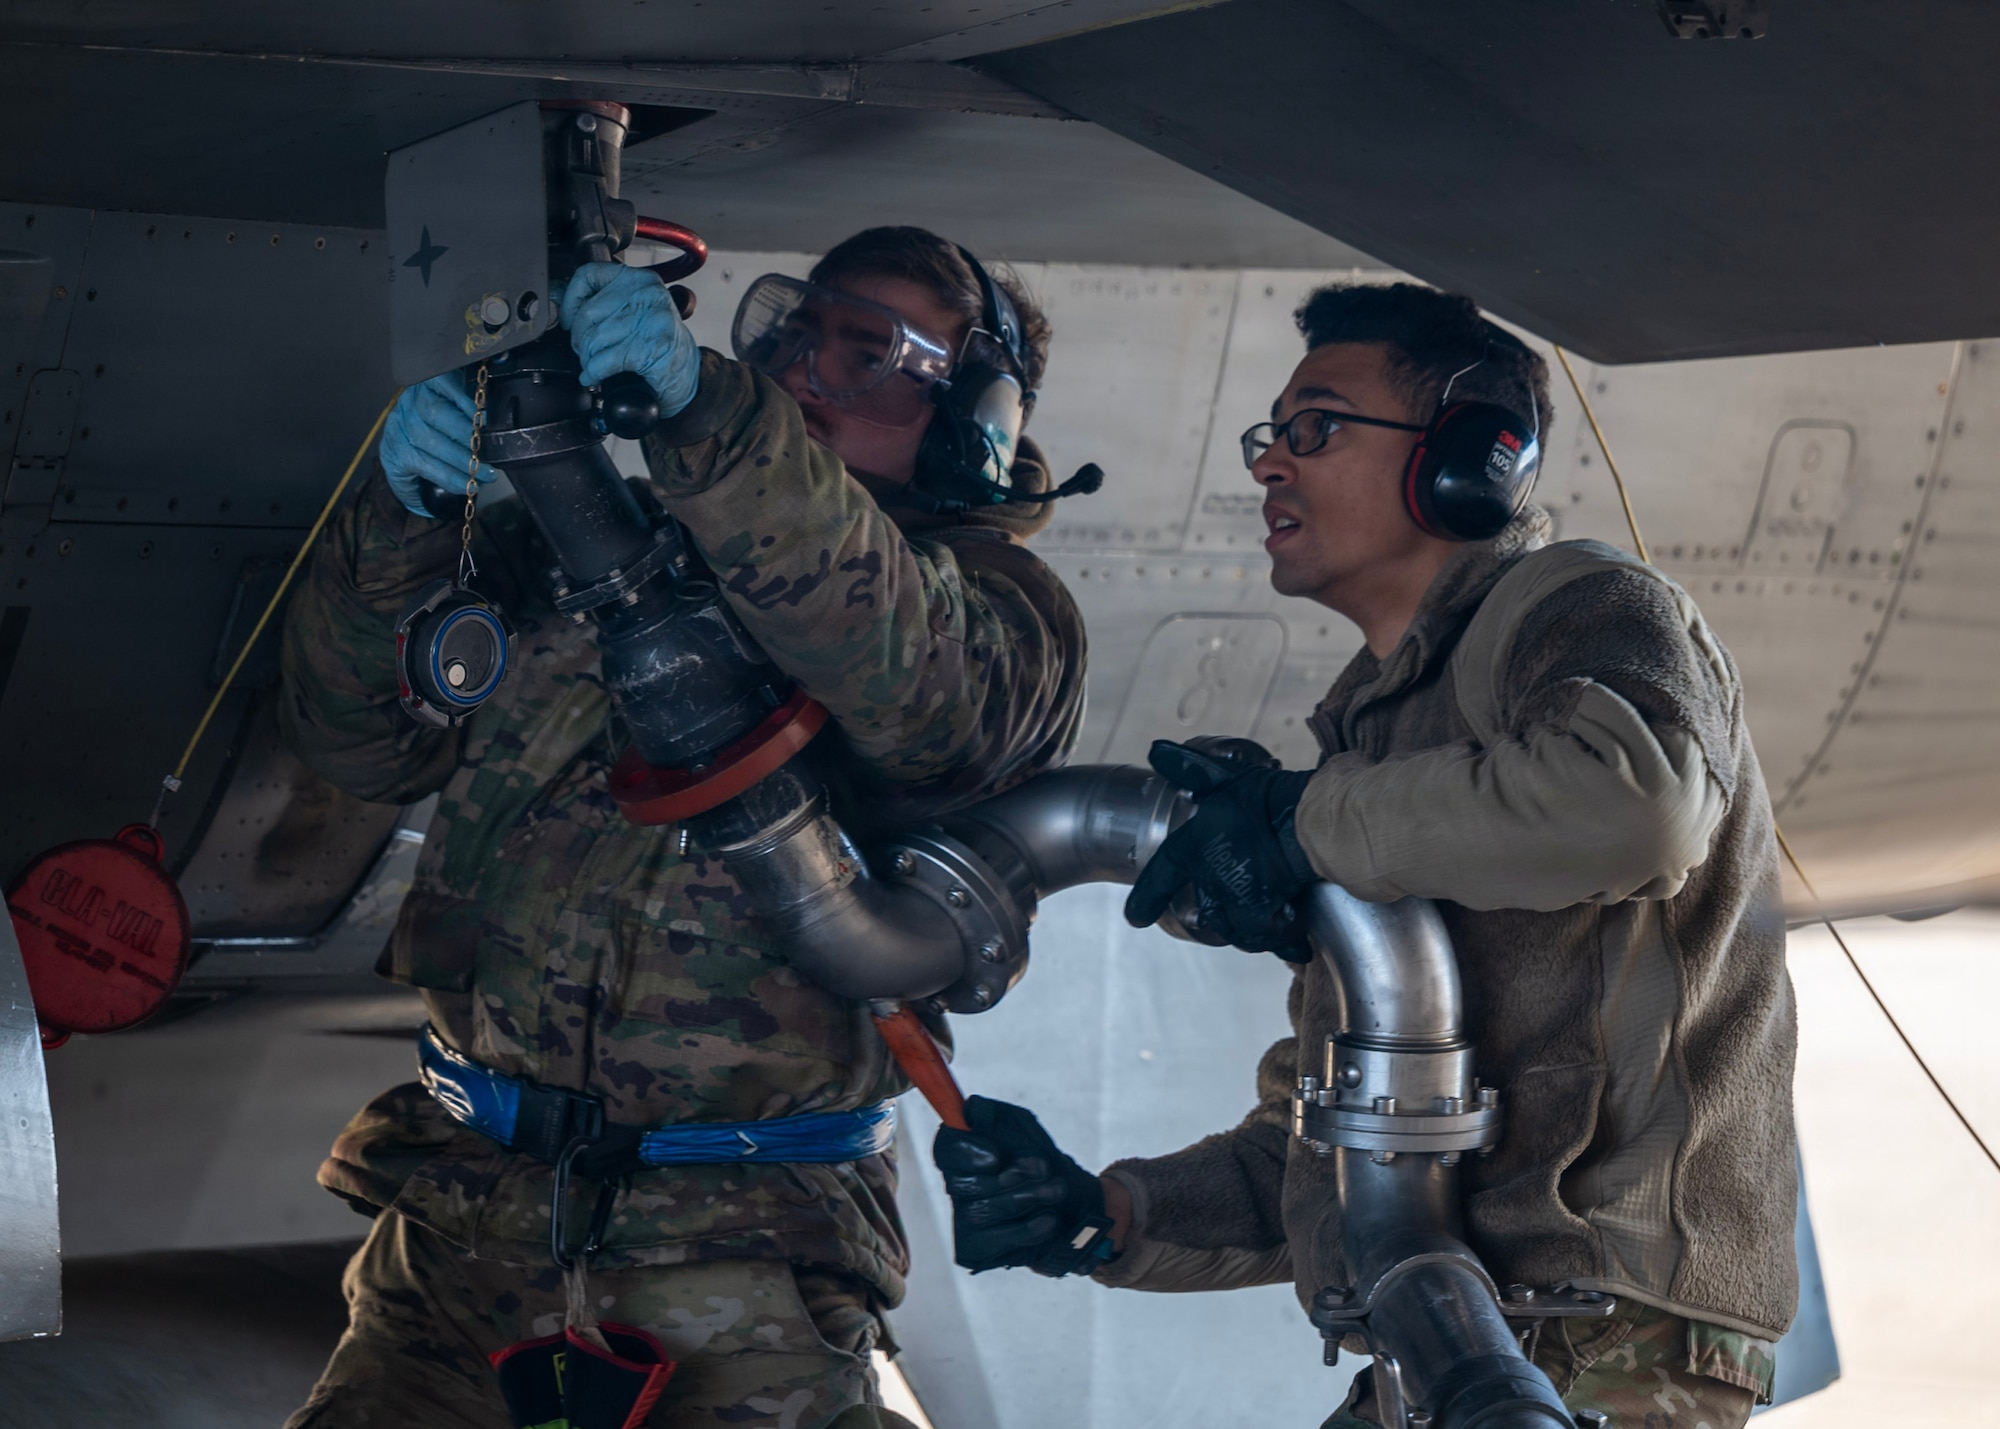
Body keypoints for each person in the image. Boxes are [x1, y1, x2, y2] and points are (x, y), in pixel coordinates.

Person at [932, 283, 1797, 1428]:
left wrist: (1297, 823)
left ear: (1466, 460)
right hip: (1450, 1333)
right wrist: (1105, 1212)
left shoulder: (1583, 607)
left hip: (1601, 1340)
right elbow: (1350, 1135)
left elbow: (1635, 806)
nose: (1267, 464)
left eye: (1316, 427)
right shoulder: (1379, 740)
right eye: (1270, 434)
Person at [278, 226, 1087, 1428]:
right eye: (798, 336)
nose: (808, 375)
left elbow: (905, 677)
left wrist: (714, 416)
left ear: (973, 423)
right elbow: (358, 742)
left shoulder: (1004, 614)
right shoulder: (595, 547)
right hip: (457, 1234)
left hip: (739, 1266)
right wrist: (400, 517)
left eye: (868, 357)